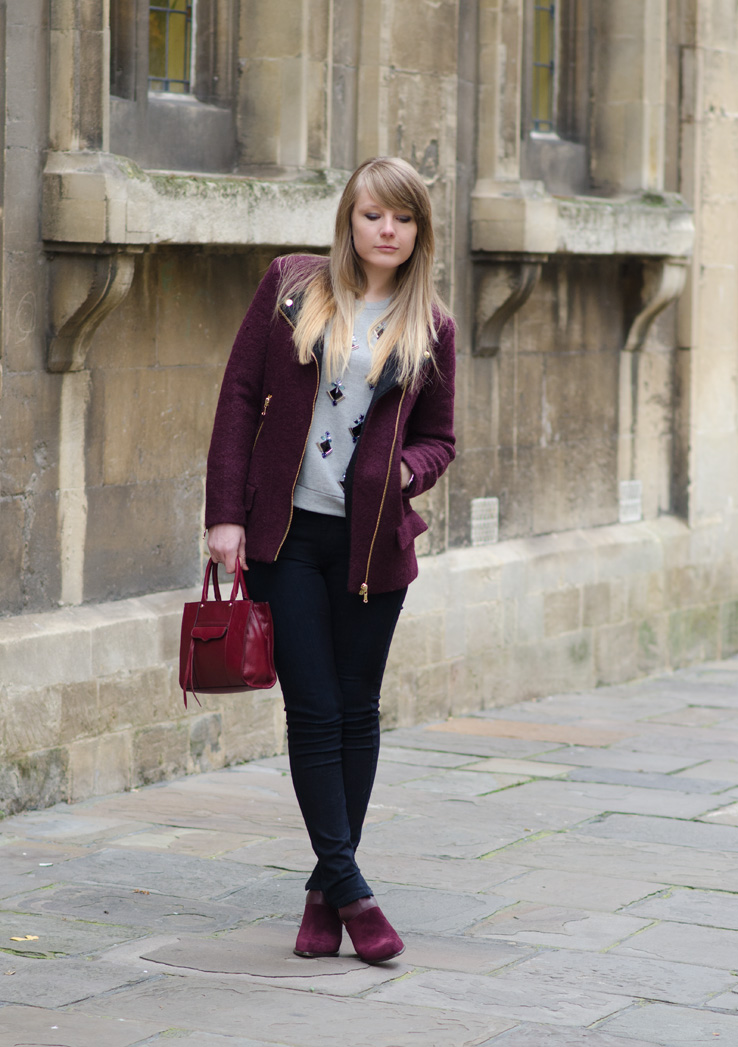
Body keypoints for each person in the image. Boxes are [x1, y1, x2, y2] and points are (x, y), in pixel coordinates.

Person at [204, 156, 456, 964]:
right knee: (312, 709)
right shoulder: (291, 287)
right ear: (349, 220)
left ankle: (321, 892)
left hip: (371, 549)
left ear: (419, 232)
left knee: (357, 709)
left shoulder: (431, 326)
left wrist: (406, 471)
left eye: (404, 219)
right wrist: (224, 516)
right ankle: (353, 889)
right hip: (286, 537)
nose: (387, 230)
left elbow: (440, 437)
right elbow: (239, 393)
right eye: (373, 215)